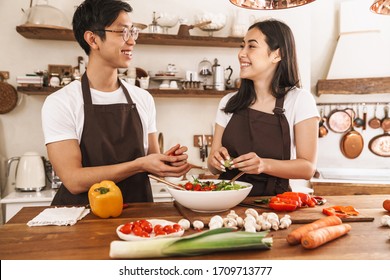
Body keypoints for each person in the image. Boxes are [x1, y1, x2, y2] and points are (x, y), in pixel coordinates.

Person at [41, 0, 190, 206]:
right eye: (122, 33)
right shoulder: (61, 102)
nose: (132, 42)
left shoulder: (142, 98)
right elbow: (73, 180)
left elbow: (152, 160)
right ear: (93, 39)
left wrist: (168, 163)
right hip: (82, 218)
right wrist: (138, 165)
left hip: (138, 217)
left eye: (133, 32)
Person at [207, 19, 319, 196]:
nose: (241, 54)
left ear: (277, 55)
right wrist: (215, 161)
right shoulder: (228, 102)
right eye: (242, 46)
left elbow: (307, 168)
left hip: (273, 205)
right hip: (225, 201)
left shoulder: (300, 100)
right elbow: (212, 168)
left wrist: (263, 165)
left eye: (251, 46)